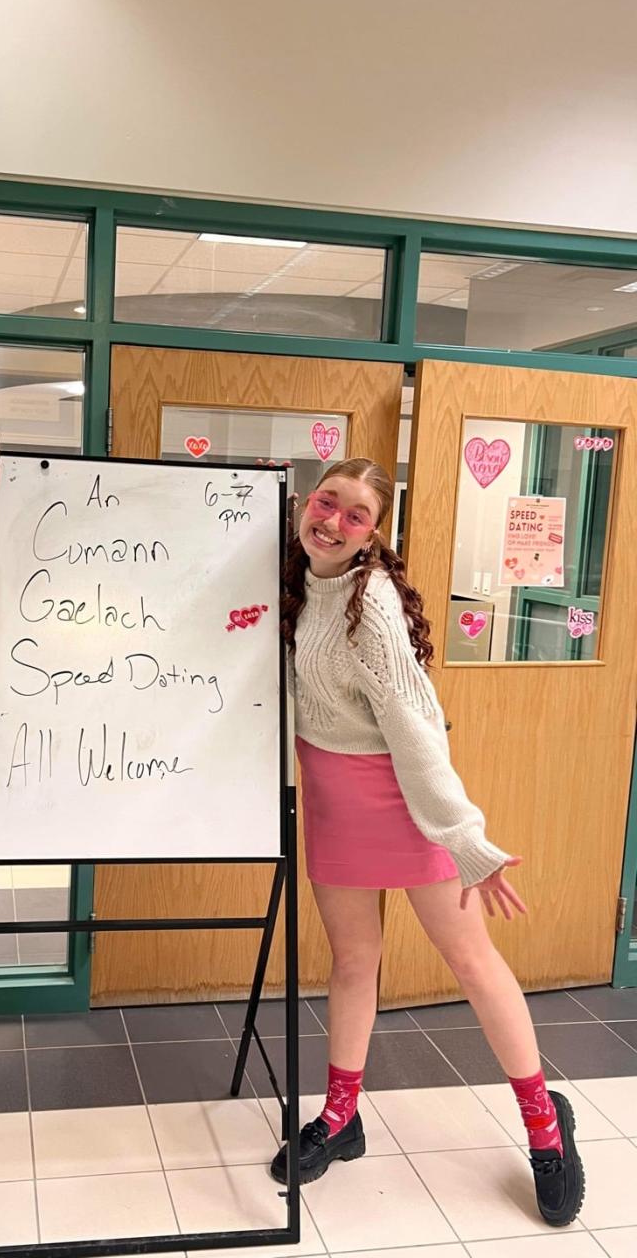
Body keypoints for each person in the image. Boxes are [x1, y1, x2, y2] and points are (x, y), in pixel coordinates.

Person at [270, 457, 584, 1228]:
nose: (334, 523)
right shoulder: (292, 580)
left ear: (376, 535)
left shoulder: (369, 602)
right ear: (306, 502)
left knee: (471, 960)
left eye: (356, 517)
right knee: (352, 963)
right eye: (328, 503)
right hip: (334, 801)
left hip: (404, 800)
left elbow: (415, 731)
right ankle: (341, 1119)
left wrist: (464, 838)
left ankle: (548, 1128)